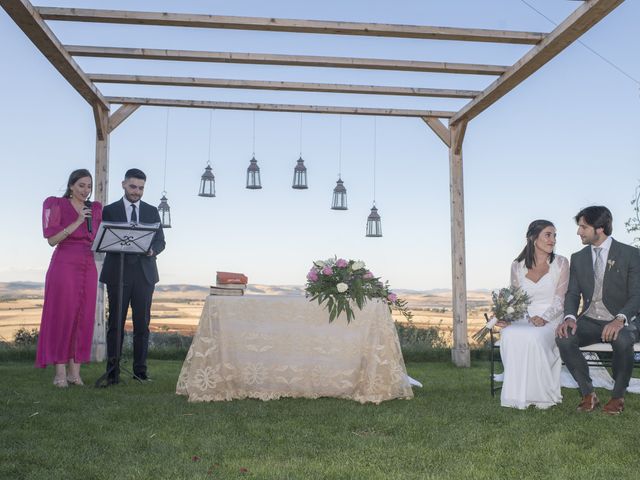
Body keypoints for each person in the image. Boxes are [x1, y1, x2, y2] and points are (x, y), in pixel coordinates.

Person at [556, 206, 640, 414]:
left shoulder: (631, 254)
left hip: (623, 319)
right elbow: (573, 293)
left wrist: (619, 318)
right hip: (591, 320)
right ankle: (588, 394)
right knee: (564, 337)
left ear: (600, 228)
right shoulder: (578, 257)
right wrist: (569, 317)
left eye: (583, 227)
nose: (579, 232)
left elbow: (637, 294)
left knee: (622, 339)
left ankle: (617, 396)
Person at [36, 169, 102, 387]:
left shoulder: (95, 209)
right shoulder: (55, 204)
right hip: (64, 265)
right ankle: (60, 374)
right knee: (62, 316)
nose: (86, 190)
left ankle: (75, 373)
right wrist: (77, 221)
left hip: (88, 266)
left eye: (89, 186)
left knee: (83, 318)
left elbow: (99, 238)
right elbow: (52, 240)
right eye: (82, 185)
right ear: (71, 185)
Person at [100, 168, 165, 384]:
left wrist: (152, 250)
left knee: (142, 326)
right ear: (123, 185)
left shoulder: (152, 211)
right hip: (117, 273)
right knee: (116, 325)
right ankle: (113, 373)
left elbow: (160, 241)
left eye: (141, 188)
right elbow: (104, 239)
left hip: (145, 275)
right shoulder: (109, 211)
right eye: (133, 187)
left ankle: (140, 372)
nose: (137, 192)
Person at [498, 220, 569, 409]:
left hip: (552, 318)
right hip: (524, 317)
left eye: (555, 235)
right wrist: (508, 318)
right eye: (548, 235)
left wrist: (544, 318)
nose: (553, 239)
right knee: (509, 334)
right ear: (532, 238)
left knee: (534, 337)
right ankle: (515, 396)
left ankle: (541, 396)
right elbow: (516, 300)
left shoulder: (561, 263)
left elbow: (560, 300)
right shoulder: (517, 266)